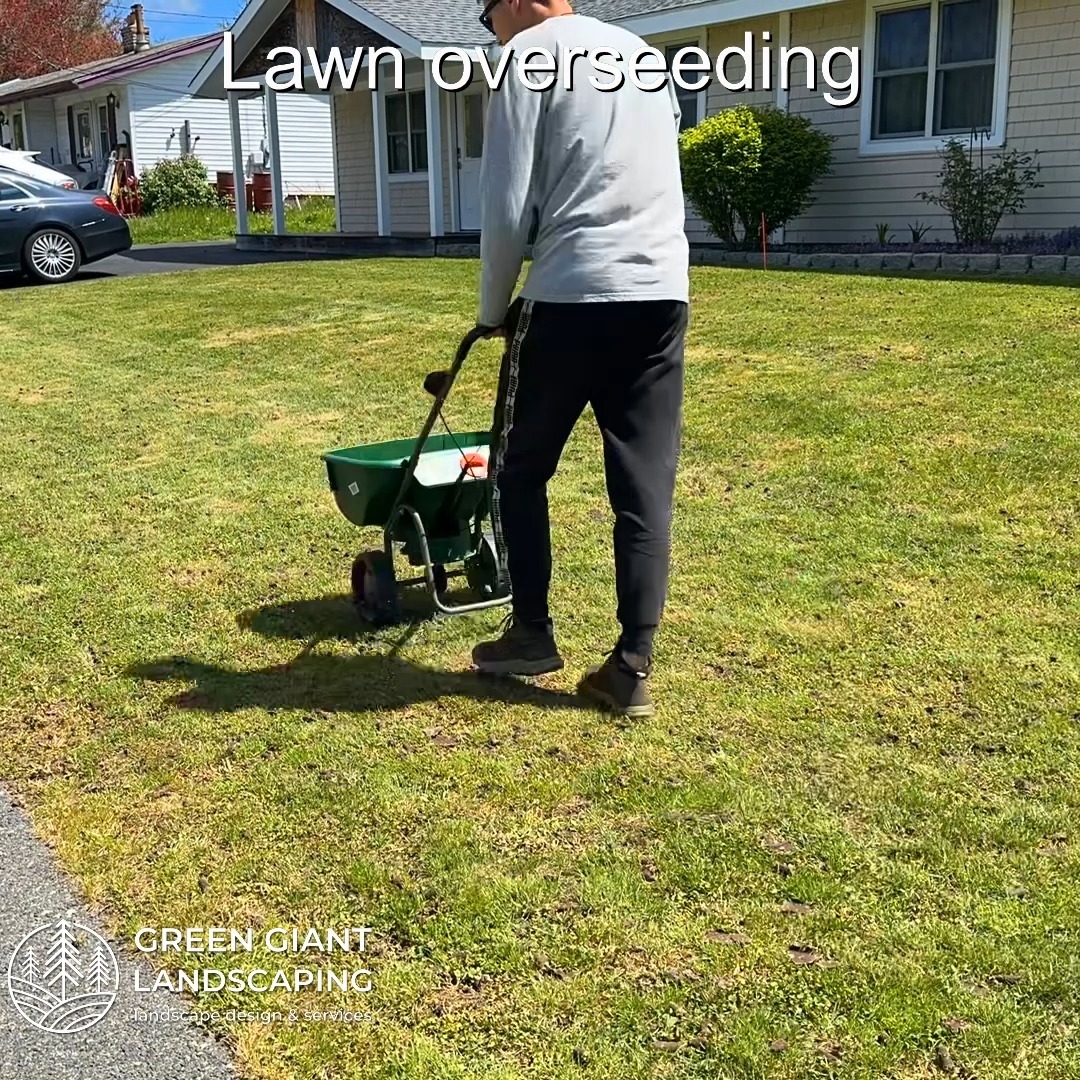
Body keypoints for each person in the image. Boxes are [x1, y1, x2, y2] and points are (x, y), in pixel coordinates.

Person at [470, 0, 690, 719]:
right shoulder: (643, 55)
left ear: (511, 5)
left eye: (485, 16)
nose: (491, 30)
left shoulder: (526, 59)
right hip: (661, 294)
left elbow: (506, 208)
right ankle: (632, 664)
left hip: (571, 296)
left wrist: (492, 312)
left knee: (519, 466)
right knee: (643, 481)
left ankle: (530, 631)